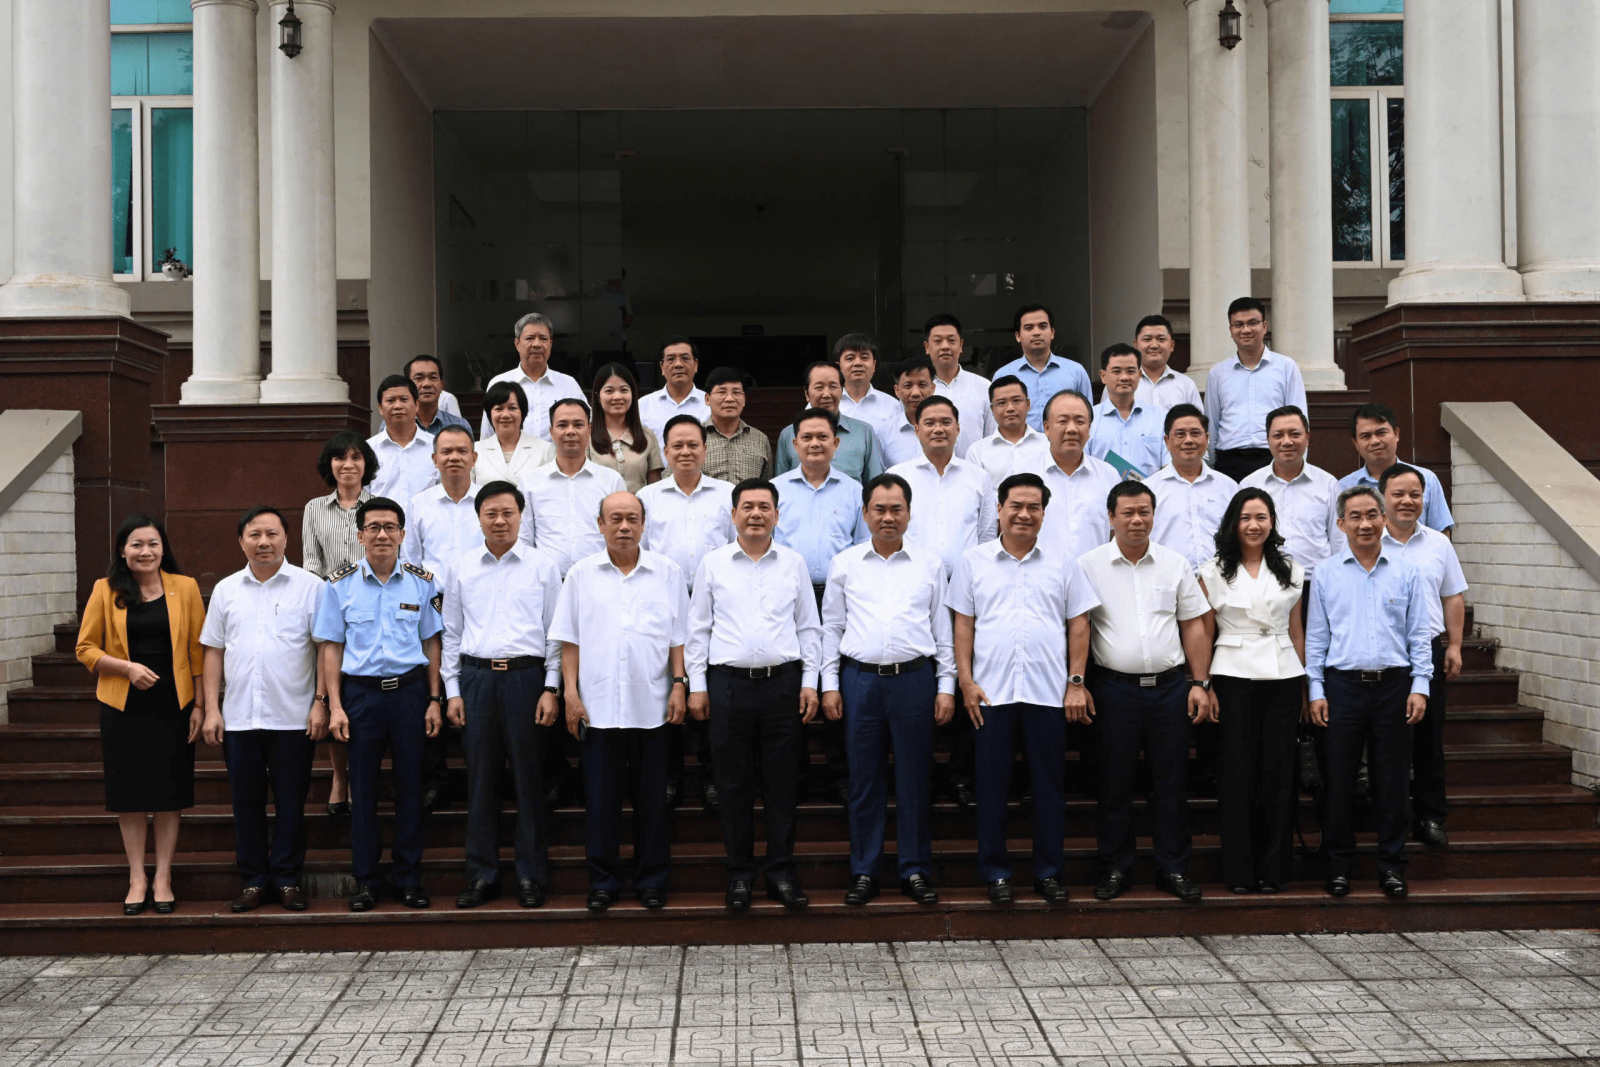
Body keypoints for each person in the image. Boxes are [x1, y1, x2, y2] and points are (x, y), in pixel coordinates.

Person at [949, 473, 1099, 905]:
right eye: (1015, 505)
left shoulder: (1063, 562)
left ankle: (1049, 873)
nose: (1024, 514)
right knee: (991, 788)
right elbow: (964, 624)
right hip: (990, 695)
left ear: (1044, 514)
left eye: (1034, 507)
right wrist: (966, 682)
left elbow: (1079, 624)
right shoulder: (973, 561)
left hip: (1048, 694)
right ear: (999, 509)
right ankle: (996, 873)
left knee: (1049, 789)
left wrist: (1076, 683)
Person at [686, 479, 821, 912]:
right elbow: (698, 629)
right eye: (747, 507)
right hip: (728, 686)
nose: (756, 514)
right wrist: (697, 686)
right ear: (733, 515)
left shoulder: (793, 563)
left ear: (777, 515)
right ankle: (740, 875)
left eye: (765, 507)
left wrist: (810, 681)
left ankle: (781, 873)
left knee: (783, 784)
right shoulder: (713, 564)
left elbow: (808, 627)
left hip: (783, 685)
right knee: (732, 784)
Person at [821, 473, 955, 907]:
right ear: (865, 513)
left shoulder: (929, 564)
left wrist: (946, 686)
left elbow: (943, 631)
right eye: (879, 509)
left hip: (914, 679)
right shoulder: (845, 564)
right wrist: (829, 684)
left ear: (909, 514)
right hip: (859, 680)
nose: (888, 517)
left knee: (914, 778)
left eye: (897, 509)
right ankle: (865, 870)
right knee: (864, 779)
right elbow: (831, 628)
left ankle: (914, 869)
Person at [1078, 481, 1214, 903]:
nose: (1137, 520)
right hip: (1113, 689)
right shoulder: (1088, 565)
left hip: (1169, 689)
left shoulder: (1175, 564)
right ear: (1111, 517)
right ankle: (1115, 868)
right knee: (1114, 781)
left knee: (1171, 782)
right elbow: (1079, 626)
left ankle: (1173, 868)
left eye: (1144, 512)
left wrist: (1200, 683)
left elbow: (1193, 625)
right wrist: (1076, 682)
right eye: (1128, 513)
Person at [551, 491, 689, 911]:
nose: (624, 527)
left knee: (653, 801)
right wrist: (570, 694)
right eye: (615, 519)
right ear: (600, 525)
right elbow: (569, 640)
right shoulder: (580, 575)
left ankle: (652, 880)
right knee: (600, 801)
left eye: (632, 519)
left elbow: (679, 638)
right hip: (598, 706)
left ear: (644, 525)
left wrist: (679, 684)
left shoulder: (667, 572)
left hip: (653, 704)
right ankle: (603, 881)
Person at [313, 496, 444, 912]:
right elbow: (331, 647)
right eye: (373, 527)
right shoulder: (339, 584)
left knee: (410, 790)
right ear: (360, 535)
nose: (382, 534)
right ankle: (366, 882)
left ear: (402, 534)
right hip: (361, 696)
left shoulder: (422, 582)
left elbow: (432, 642)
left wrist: (434, 698)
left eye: (390, 527)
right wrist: (334, 705)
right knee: (364, 792)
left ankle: (408, 880)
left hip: (409, 694)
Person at [1306, 486, 1433, 899]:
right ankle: (1338, 866)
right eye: (1355, 517)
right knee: (1338, 779)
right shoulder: (1325, 573)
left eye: (1372, 515)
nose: (1365, 524)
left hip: (1394, 686)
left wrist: (1420, 685)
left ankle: (1392, 866)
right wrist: (1315, 689)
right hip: (1341, 687)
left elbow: (1419, 634)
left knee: (1392, 780)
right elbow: (1317, 637)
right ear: (1341, 524)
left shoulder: (1407, 571)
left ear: (1384, 518)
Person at [76, 514, 206, 915]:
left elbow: (198, 652)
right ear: (122, 550)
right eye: (136, 544)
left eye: (152, 543)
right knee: (129, 795)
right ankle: (137, 877)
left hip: (173, 704)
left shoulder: (185, 587)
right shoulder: (105, 589)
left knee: (169, 794)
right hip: (123, 705)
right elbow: (85, 648)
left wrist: (201, 705)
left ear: (163, 548)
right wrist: (126, 668)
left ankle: (163, 875)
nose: (145, 551)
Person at [443, 481, 564, 910]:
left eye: (507, 513)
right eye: (491, 514)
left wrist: (551, 687)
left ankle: (531, 876)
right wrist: (452, 691)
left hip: (526, 680)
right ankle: (482, 875)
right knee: (480, 781)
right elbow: (451, 633)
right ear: (478, 518)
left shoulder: (543, 566)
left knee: (529, 781)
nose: (499, 521)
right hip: (476, 681)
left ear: (520, 516)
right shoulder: (461, 567)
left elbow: (555, 634)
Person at [199, 507, 324, 913]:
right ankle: (253, 880)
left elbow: (325, 648)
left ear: (287, 539)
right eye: (255, 534)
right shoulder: (226, 590)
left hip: (293, 717)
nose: (264, 542)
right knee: (246, 804)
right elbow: (213, 651)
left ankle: (286, 878)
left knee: (291, 803)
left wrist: (321, 702)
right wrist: (212, 709)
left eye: (272, 533)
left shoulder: (311, 587)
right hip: (239, 718)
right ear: (241, 541)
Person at [1196, 489, 1306, 893]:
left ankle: (1274, 870)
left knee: (1279, 774)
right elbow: (1205, 631)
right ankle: (1239, 872)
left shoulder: (1291, 568)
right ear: (1233, 523)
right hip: (1231, 673)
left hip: (1282, 673)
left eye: (1261, 517)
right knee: (1236, 773)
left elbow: (1296, 631)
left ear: (1272, 522)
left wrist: (1304, 685)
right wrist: (1204, 684)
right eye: (1245, 518)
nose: (1254, 525)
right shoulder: (1212, 571)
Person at [639, 414, 734, 812]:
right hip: (664, 606)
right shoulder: (648, 498)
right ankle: (670, 776)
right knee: (668, 688)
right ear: (665, 451)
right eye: (677, 445)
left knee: (710, 687)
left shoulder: (727, 494)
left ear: (705, 449)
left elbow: (737, 549)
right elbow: (640, 554)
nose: (685, 452)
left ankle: (712, 776)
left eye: (693, 444)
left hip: (718, 606)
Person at [774, 407, 868, 801]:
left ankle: (838, 772)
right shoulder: (776, 490)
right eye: (807, 438)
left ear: (836, 443)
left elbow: (862, 547)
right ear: (794, 444)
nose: (815, 444)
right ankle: (794, 773)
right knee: (791, 681)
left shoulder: (854, 491)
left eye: (822, 437)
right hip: (787, 596)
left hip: (838, 594)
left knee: (834, 680)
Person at [1380, 463, 1468, 850]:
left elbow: (1453, 596)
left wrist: (1455, 645)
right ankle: (1390, 817)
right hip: (1382, 653)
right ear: (1383, 497)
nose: (1407, 501)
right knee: (1386, 741)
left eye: (1415, 494)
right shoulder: (1366, 540)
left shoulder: (1438, 543)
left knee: (1429, 739)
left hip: (1428, 651)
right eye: (1398, 494)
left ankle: (1430, 816)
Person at [403, 424, 483, 812]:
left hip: (482, 602)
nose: (454, 457)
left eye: (461, 451)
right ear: (434, 459)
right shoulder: (418, 504)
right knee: (431, 686)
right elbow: (410, 561)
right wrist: (434, 589)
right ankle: (435, 777)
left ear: (474, 457)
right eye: (446, 451)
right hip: (432, 603)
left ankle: (484, 775)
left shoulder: (487, 501)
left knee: (477, 681)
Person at [302, 431, 375, 819]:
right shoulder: (315, 508)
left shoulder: (378, 505)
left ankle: (364, 777)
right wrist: (332, 597)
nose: (348, 464)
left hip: (373, 608)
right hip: (329, 606)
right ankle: (339, 776)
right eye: (340, 458)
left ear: (366, 463)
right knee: (334, 696)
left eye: (356, 457)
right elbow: (311, 563)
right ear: (329, 465)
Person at [1203, 297, 1309, 483]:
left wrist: (1299, 465)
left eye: (1252, 323)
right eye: (1238, 324)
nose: (1245, 330)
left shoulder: (1286, 367)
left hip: (1273, 458)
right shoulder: (1217, 373)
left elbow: (1299, 420)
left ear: (1264, 326)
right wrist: (1211, 467)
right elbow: (1212, 424)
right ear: (1231, 330)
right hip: (1229, 462)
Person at [888, 396, 997, 576]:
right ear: (917, 430)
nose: (938, 429)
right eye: (929, 423)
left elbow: (987, 535)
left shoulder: (978, 477)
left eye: (946, 422)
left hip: (966, 580)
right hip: (911, 579)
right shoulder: (897, 477)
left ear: (958, 428)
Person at [518, 398, 627, 578]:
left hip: (601, 578)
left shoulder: (611, 480)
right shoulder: (530, 482)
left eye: (578, 424)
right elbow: (524, 538)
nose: (570, 431)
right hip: (547, 580)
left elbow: (619, 534)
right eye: (562, 425)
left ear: (589, 430)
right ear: (551, 432)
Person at [1240, 406, 1342, 586]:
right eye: (1278, 435)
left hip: (1317, 582)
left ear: (1307, 438)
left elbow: (1339, 540)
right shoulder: (1249, 485)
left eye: (1294, 434)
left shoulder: (1328, 484)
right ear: (1268, 440)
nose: (1287, 442)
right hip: (1264, 584)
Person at [1148, 404, 1242, 571]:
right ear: (1167, 441)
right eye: (1180, 434)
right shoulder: (1149, 490)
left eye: (1195, 433)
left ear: (1207, 438)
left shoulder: (1229, 487)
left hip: (1222, 580)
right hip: (1168, 580)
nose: (1188, 440)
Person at [1339, 402, 1455, 535]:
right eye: (1366, 436)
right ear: (1355, 443)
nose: (1375, 441)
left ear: (1396, 434)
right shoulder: (1343, 487)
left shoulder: (1427, 479)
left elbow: (1441, 534)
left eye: (1381, 433)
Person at [1037, 389, 1120, 562]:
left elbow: (1117, 533)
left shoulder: (1108, 476)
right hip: (1041, 575)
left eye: (1080, 421)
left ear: (1089, 429)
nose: (1072, 429)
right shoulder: (1025, 474)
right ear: (1047, 428)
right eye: (1063, 421)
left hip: (1095, 575)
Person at [479, 312, 586, 441]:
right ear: (517, 344)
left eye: (543, 338)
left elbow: (586, 427)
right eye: (530, 338)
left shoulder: (568, 385)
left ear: (550, 344)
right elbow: (487, 436)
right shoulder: (499, 383)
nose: (537, 344)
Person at [775, 361, 885, 485]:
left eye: (833, 386)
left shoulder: (864, 432)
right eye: (819, 387)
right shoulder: (788, 434)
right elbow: (780, 486)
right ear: (806, 393)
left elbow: (875, 486)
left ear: (842, 391)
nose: (827, 394)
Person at [990, 304, 1094, 431]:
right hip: (1019, 443)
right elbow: (995, 421)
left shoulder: (1076, 372)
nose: (1036, 332)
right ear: (1018, 336)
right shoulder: (1003, 375)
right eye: (1029, 328)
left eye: (1043, 326)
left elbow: (1088, 418)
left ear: (1052, 333)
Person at [1086, 343, 1168, 477]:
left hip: (1150, 490)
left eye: (1130, 371)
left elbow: (1168, 466)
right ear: (1103, 376)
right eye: (1116, 371)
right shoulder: (1088, 420)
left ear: (1139, 375)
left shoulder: (1160, 418)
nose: (1124, 377)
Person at [925, 313, 994, 457]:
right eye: (937, 341)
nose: (945, 346)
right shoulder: (919, 391)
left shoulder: (984, 387)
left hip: (975, 469)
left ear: (961, 345)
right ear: (927, 347)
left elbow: (992, 438)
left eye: (951, 340)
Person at [589, 362, 665, 494]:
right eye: (609, 391)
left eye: (624, 390)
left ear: (633, 394)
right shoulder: (586, 436)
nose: (617, 397)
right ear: (598, 397)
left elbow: (655, 491)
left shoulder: (647, 437)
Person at [367, 374, 438, 505]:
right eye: (390, 400)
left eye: (404, 399)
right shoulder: (368, 449)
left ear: (417, 404)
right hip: (381, 518)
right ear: (380, 408)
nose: (398, 406)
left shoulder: (436, 447)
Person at [967, 374, 1051, 486]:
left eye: (1016, 400)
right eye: (1001, 403)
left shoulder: (1048, 444)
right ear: (992, 409)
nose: (1010, 408)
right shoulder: (977, 452)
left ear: (1028, 404)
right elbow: (974, 492)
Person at [473, 380, 554, 484]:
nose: (505, 415)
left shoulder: (545, 450)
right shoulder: (475, 450)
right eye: (499, 409)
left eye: (512, 408)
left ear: (522, 412)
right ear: (490, 414)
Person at [702, 366, 773, 484]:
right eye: (722, 392)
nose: (730, 399)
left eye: (736, 392)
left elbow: (767, 486)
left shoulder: (760, 440)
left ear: (744, 399)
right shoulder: (693, 437)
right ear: (707, 399)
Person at [835, 333, 903, 451]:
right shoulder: (825, 403)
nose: (858, 363)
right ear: (838, 367)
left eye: (864, 357)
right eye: (850, 358)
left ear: (874, 365)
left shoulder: (893, 406)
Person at [638, 335, 709, 439]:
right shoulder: (642, 406)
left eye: (685, 358)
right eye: (671, 359)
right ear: (662, 367)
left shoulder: (711, 405)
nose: (678, 364)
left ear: (696, 364)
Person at [1132, 314, 1202, 412]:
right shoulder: (1122, 383)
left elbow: (1196, 420)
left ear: (1172, 345)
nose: (1154, 345)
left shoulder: (1186, 385)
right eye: (1147, 339)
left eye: (1161, 339)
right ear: (1136, 345)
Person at [881, 356, 936, 468]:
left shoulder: (950, 429)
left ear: (933, 388)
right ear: (897, 390)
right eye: (908, 386)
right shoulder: (884, 433)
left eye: (922, 385)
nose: (915, 393)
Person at [406, 355, 472, 437]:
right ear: (407, 386)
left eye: (433, 377)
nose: (427, 384)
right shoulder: (395, 425)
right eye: (419, 378)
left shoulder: (460, 426)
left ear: (442, 385)